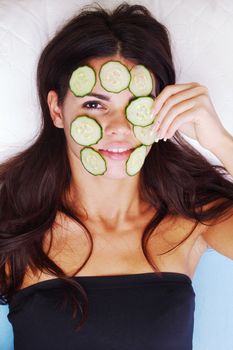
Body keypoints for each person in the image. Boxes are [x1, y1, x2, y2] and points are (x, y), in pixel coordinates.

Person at [0, 2, 233, 349]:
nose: (119, 128)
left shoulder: (192, 218)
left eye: (137, 105)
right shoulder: (14, 226)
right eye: (94, 104)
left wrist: (220, 140)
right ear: (57, 110)